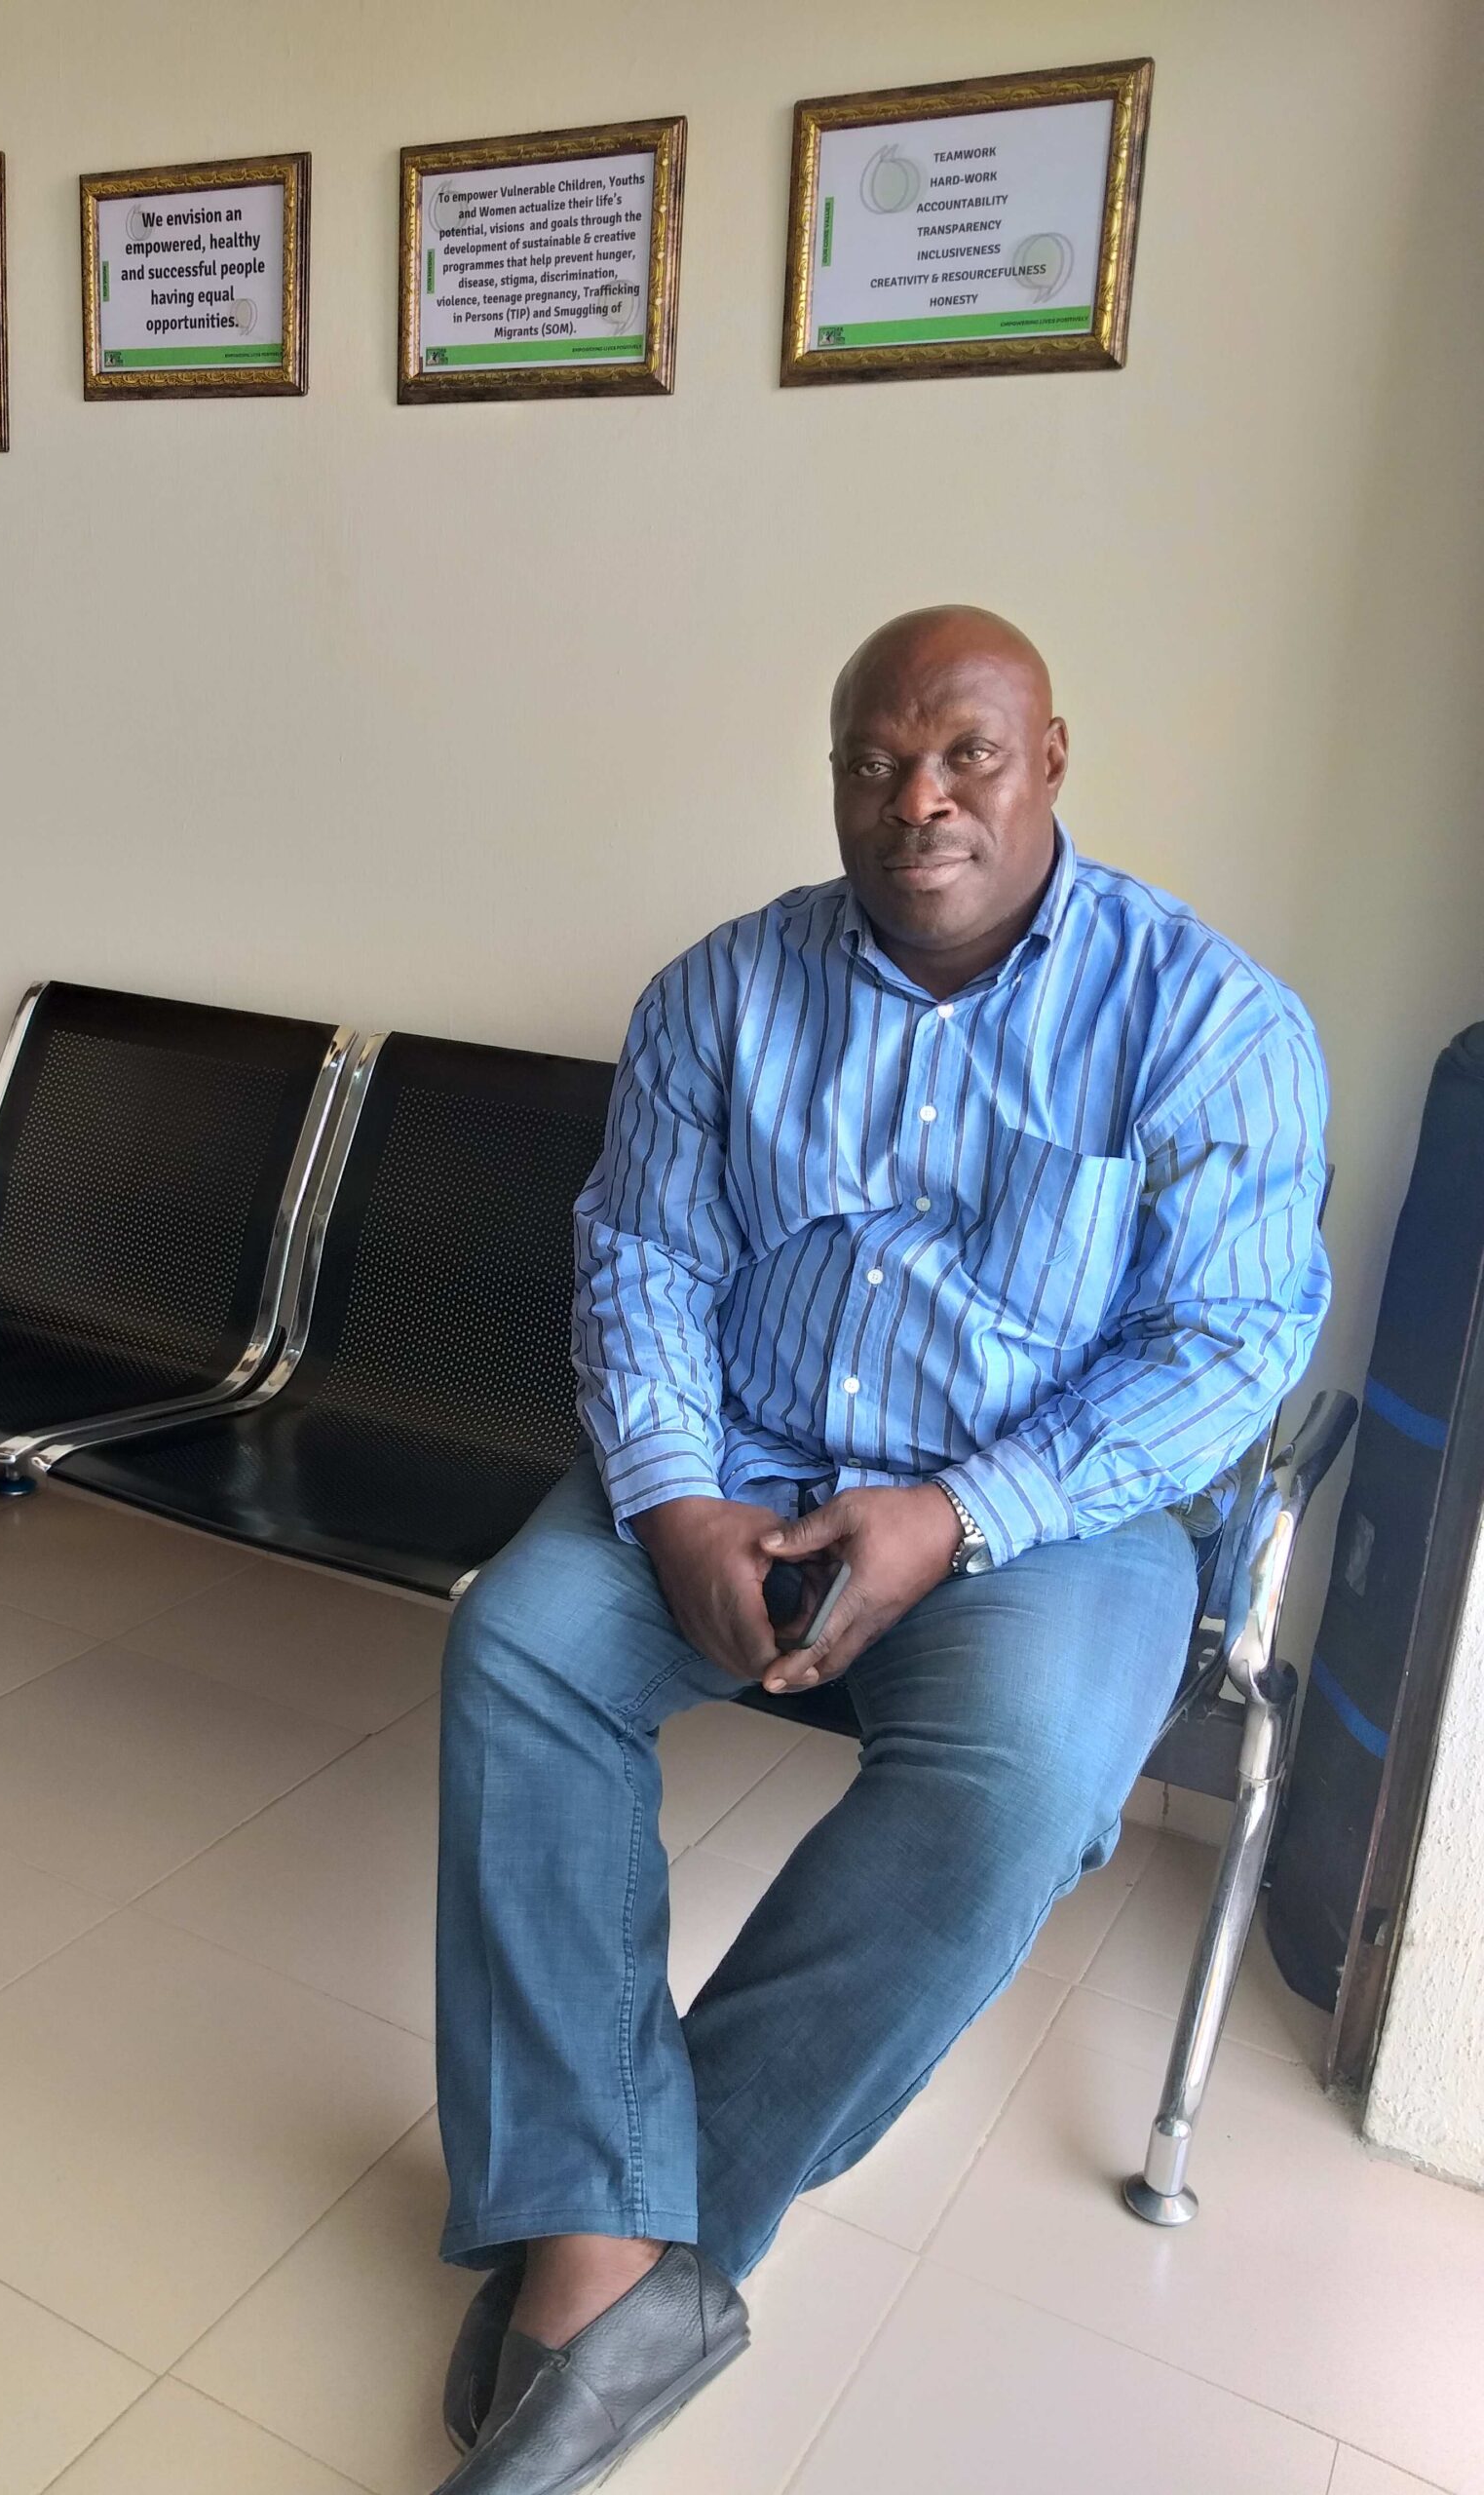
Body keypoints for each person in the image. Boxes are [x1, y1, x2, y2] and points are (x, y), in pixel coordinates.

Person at [427, 606, 1331, 2494]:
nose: (917, 799)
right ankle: (608, 2240)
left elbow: (1234, 1341)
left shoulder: (1208, 1017)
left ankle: (635, 2239)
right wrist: (674, 1496)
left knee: (1022, 1779)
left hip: (1048, 1510)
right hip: (743, 1458)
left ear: (1051, 760)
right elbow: (643, 1260)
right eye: (872, 760)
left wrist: (960, 1512)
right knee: (522, 1645)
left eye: (966, 754)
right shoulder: (720, 991)